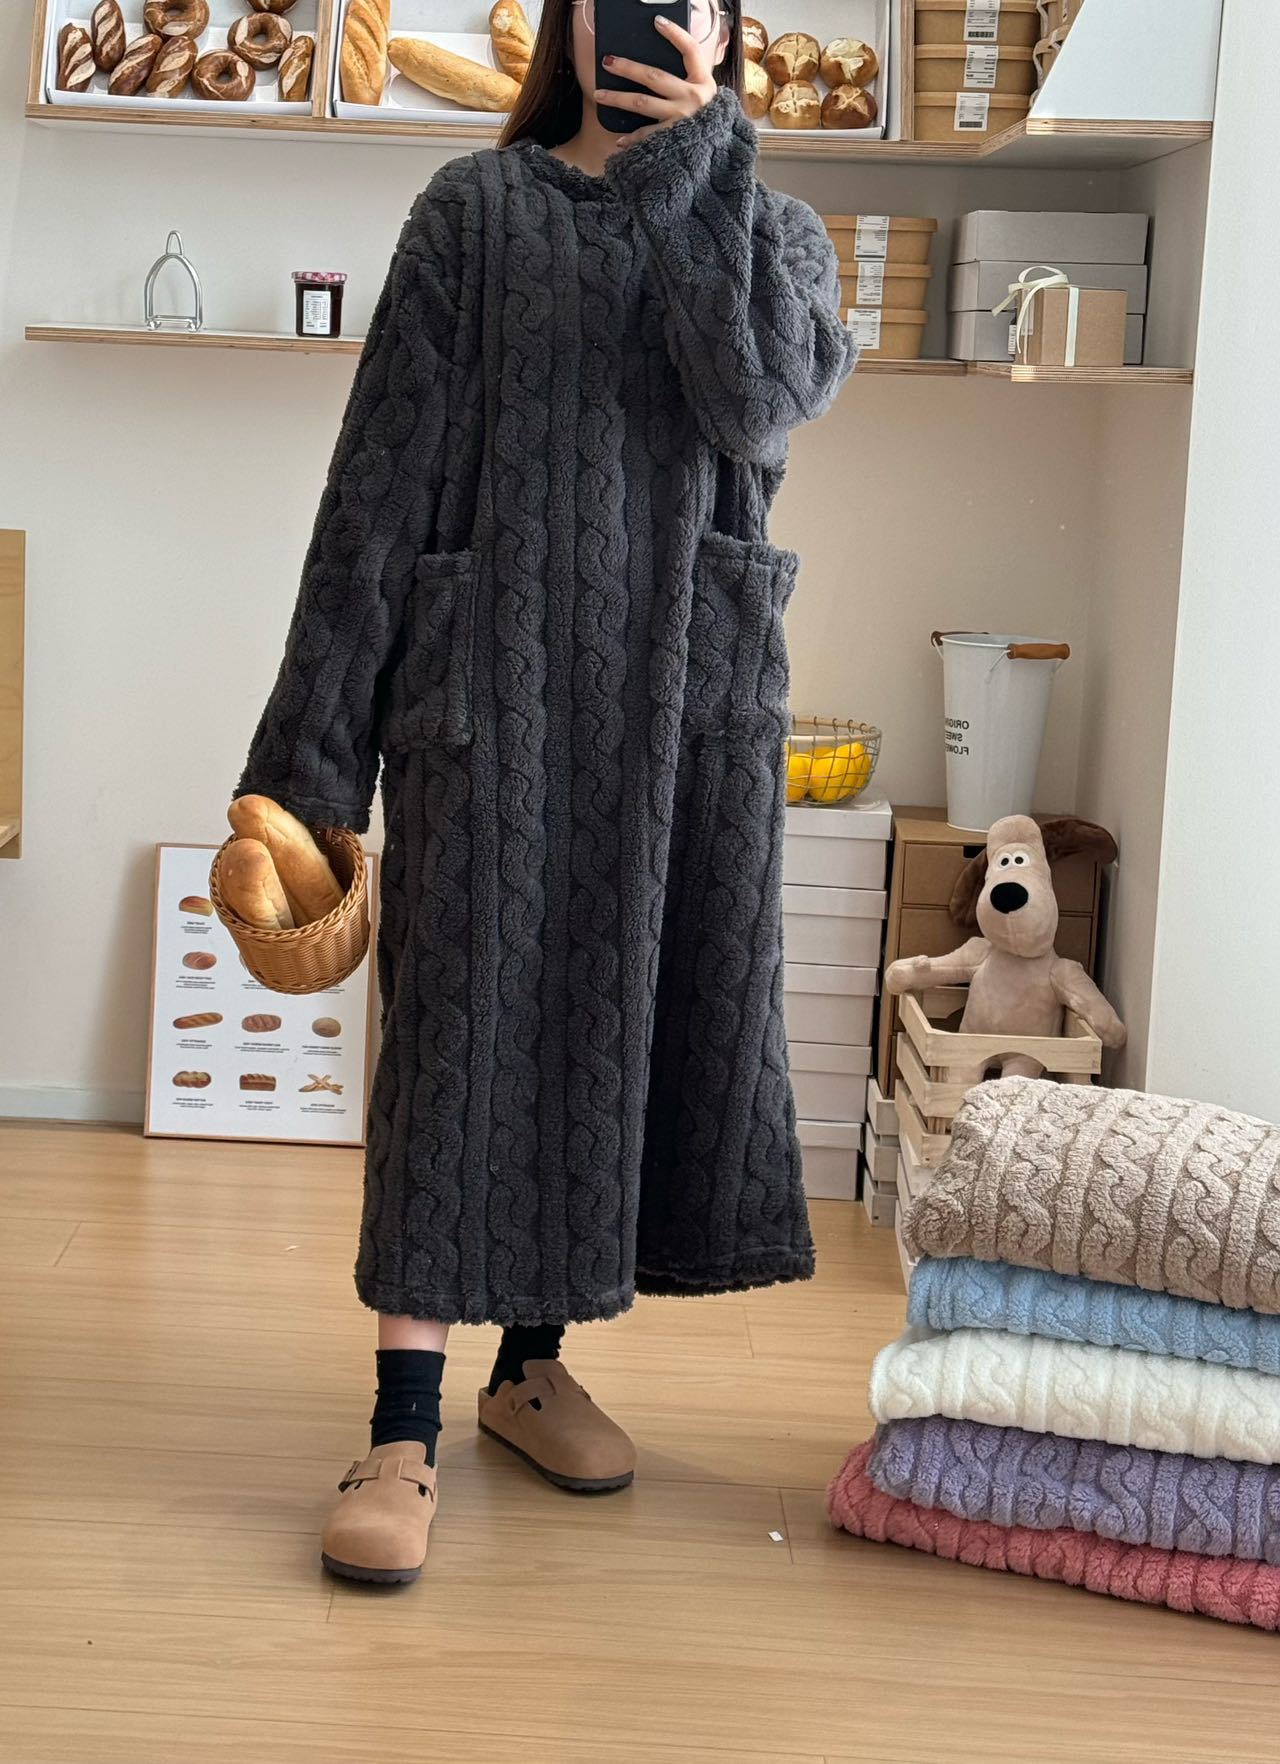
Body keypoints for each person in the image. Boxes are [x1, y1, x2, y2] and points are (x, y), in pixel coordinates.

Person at [231, 0, 857, 1584]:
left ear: (726, 32)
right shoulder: (476, 214)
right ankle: (400, 1425)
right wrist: (309, 766)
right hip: (488, 689)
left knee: (614, 1025)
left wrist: (706, 163)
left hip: (685, 703)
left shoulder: (772, 226)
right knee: (463, 1040)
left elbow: (758, 398)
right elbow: (377, 482)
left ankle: (529, 1368)